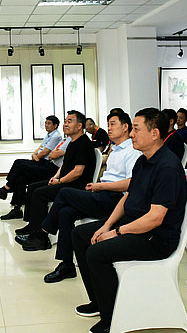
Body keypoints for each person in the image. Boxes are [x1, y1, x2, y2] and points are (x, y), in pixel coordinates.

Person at [71, 108, 187, 333]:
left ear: (155, 133)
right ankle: (98, 301)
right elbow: (128, 197)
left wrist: (116, 232)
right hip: (136, 225)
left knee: (96, 252)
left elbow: (155, 218)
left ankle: (111, 317)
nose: (131, 134)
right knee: (81, 235)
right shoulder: (143, 161)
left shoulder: (167, 167)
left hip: (156, 238)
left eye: (136, 128)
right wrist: (106, 226)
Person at [30, 111, 142, 284]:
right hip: (101, 193)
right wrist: (98, 187)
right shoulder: (116, 150)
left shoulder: (132, 151)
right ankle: (66, 264)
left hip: (115, 200)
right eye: (108, 124)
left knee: (64, 192)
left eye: (113, 124)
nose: (109, 128)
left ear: (125, 127)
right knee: (66, 212)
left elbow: (131, 184)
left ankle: (43, 232)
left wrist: (100, 186)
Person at [14, 111, 96, 246]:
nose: (65, 124)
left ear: (80, 125)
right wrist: (56, 176)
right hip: (65, 181)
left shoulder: (83, 143)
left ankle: (40, 237)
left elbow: (78, 171)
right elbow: (65, 165)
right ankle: (33, 227)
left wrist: (60, 181)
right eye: (65, 121)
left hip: (75, 185)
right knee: (34, 187)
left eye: (70, 121)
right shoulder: (72, 142)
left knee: (39, 193)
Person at [0, 115, 65, 220]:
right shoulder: (53, 136)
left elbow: (48, 154)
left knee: (19, 165)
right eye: (45, 123)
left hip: (49, 167)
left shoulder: (57, 137)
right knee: (20, 175)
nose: (46, 125)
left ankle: (6, 189)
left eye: (48, 123)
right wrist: (34, 155)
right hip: (43, 162)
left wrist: (37, 156)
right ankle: (16, 208)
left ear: (55, 126)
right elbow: (40, 149)